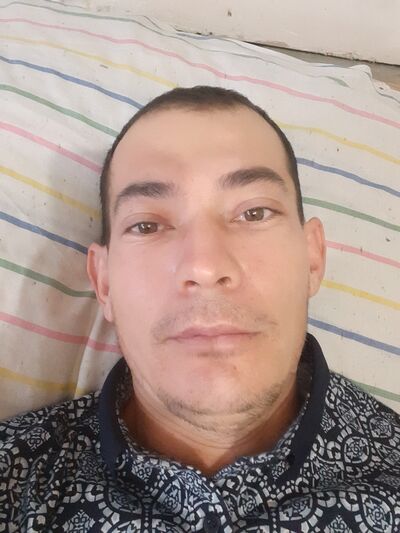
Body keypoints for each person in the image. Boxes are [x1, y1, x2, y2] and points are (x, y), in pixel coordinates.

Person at [0, 86, 398, 532]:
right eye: (147, 225)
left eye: (254, 213)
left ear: (312, 259)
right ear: (104, 283)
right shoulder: (14, 482)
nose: (205, 266)